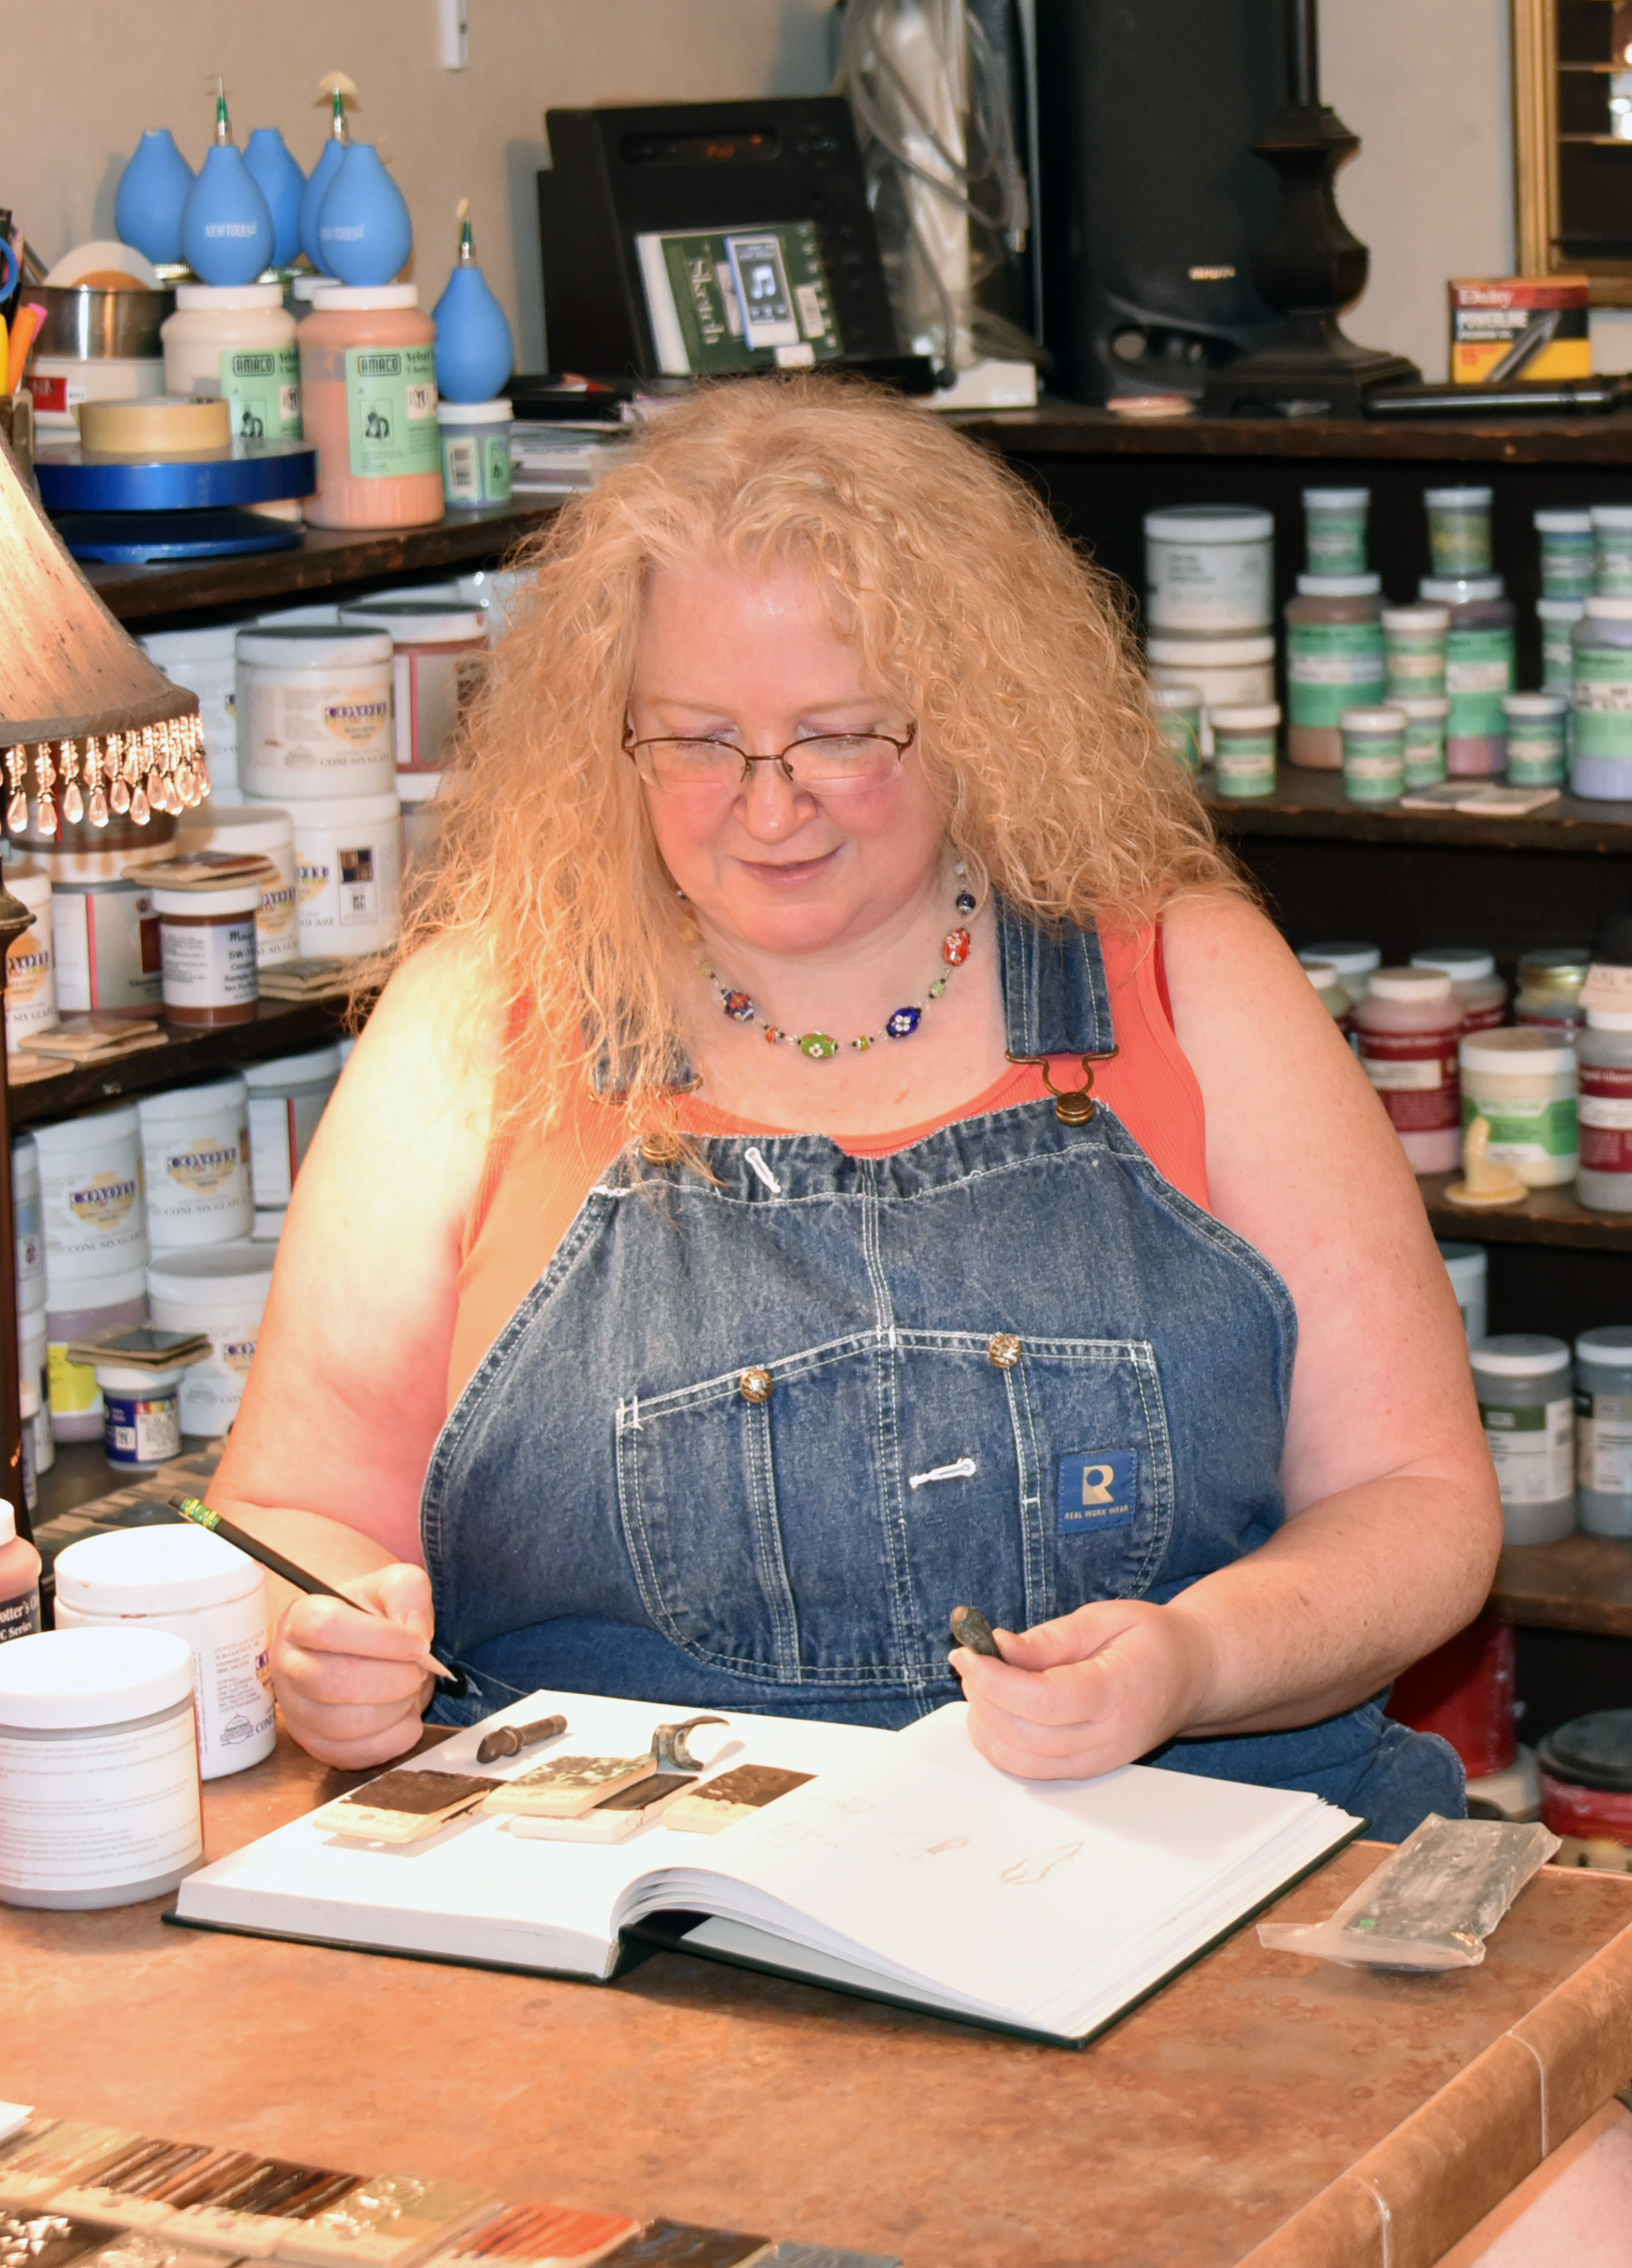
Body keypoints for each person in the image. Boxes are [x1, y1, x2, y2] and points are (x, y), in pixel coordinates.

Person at [215, 375, 1499, 1838]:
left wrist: (1197, 1662)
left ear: (974, 713)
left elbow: (1414, 1500)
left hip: (1174, 1862)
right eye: (696, 740)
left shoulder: (1185, 979)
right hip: (622, 1912)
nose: (769, 808)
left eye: (839, 736)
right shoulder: (478, 1022)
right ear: (608, 732)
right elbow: (288, 1514)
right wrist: (314, 1639)